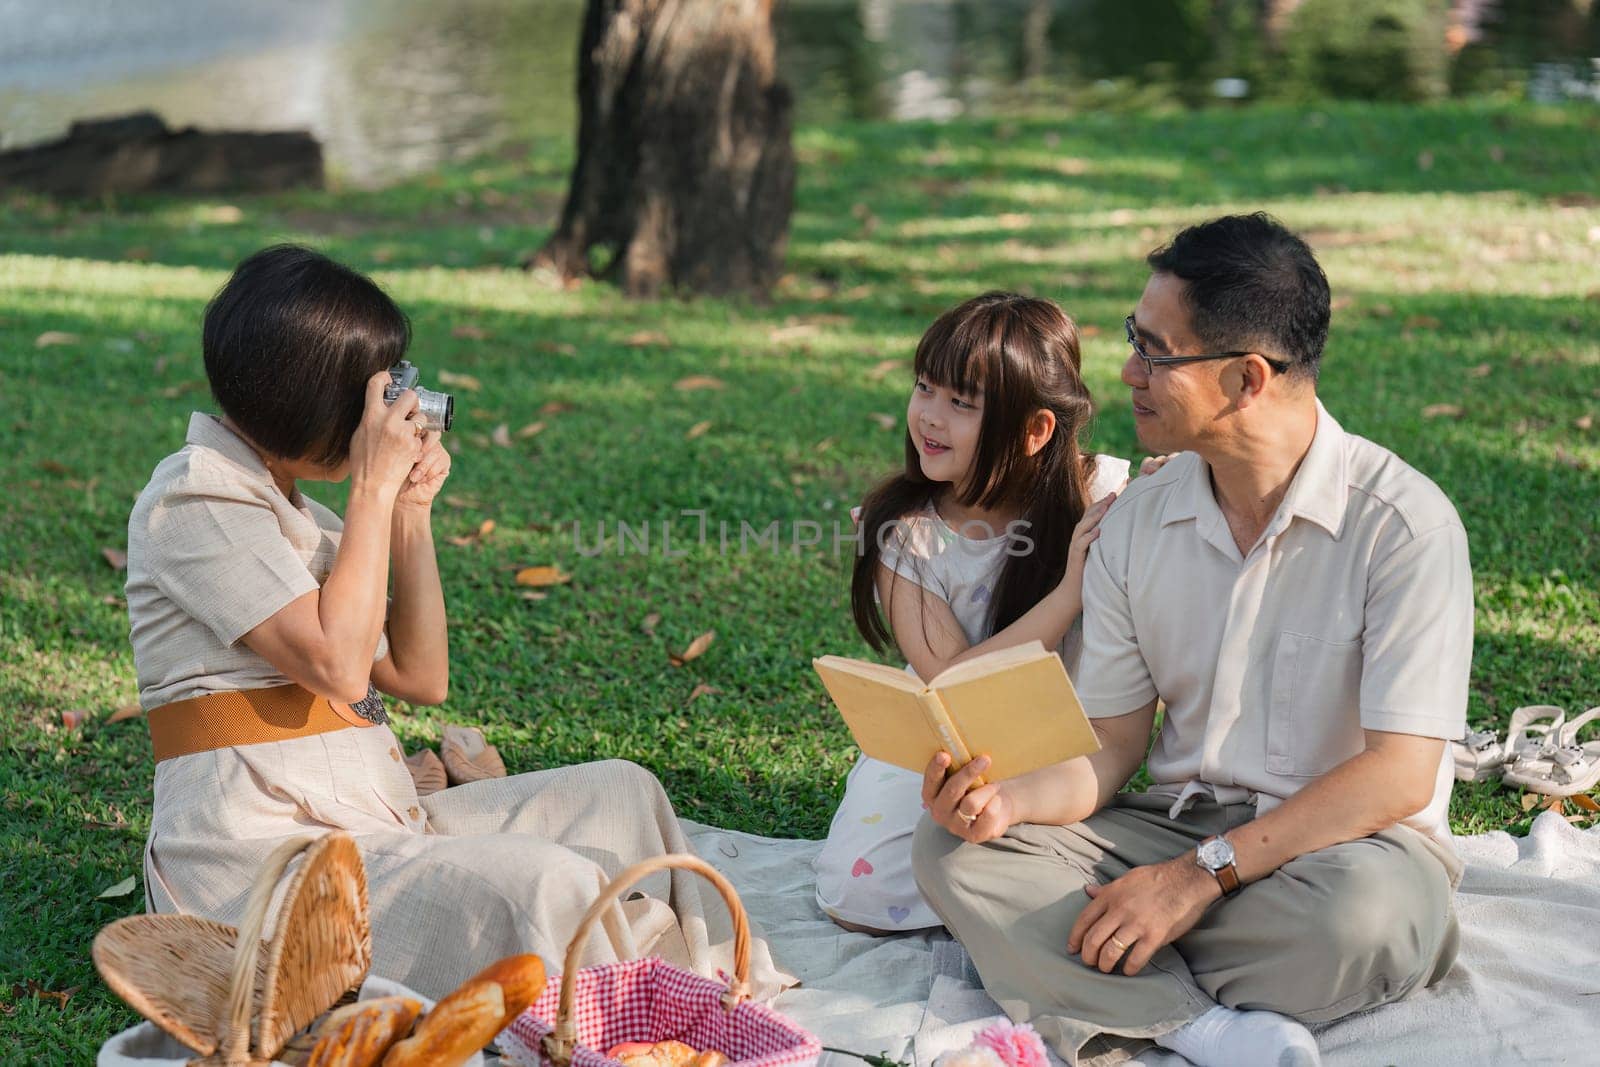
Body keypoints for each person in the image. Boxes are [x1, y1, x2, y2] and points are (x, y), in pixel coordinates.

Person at [126, 244, 786, 999]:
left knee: (621, 794)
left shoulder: (306, 516)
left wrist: (408, 511)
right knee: (540, 884)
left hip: (377, 825)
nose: (388, 412)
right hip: (265, 866)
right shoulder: (193, 498)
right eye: (372, 396)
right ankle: (618, 1004)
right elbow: (340, 666)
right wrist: (375, 486)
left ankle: (677, 975)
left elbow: (419, 676)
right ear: (309, 401)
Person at [912, 215, 1471, 1067]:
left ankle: (1093, 959)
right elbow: (1110, 745)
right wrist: (1010, 805)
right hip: (1171, 828)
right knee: (953, 850)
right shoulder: (1136, 522)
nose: (1127, 372)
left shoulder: (1404, 527)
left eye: (1156, 352)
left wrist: (1194, 881)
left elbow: (1400, 773)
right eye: (1134, 339)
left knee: (1371, 920)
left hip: (1344, 853)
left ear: (1247, 379)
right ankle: (1204, 1025)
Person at [814, 292, 1131, 934]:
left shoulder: (1105, 500)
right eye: (925, 388)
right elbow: (952, 685)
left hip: (1058, 746)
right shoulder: (906, 534)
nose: (929, 417)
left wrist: (1174, 483)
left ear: (1036, 431)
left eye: (962, 403)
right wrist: (1070, 591)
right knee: (859, 896)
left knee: (1043, 878)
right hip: (946, 748)